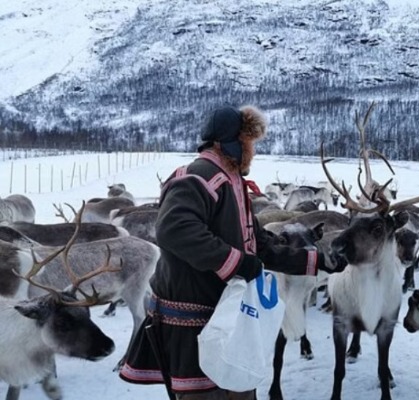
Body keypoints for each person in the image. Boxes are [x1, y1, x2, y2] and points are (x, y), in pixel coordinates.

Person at [119, 105, 341, 400]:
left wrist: (317, 260)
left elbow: (258, 244)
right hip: (194, 330)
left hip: (228, 323)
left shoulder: (230, 183)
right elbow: (175, 229)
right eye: (250, 143)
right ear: (232, 142)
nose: (253, 151)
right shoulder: (198, 177)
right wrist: (236, 263)